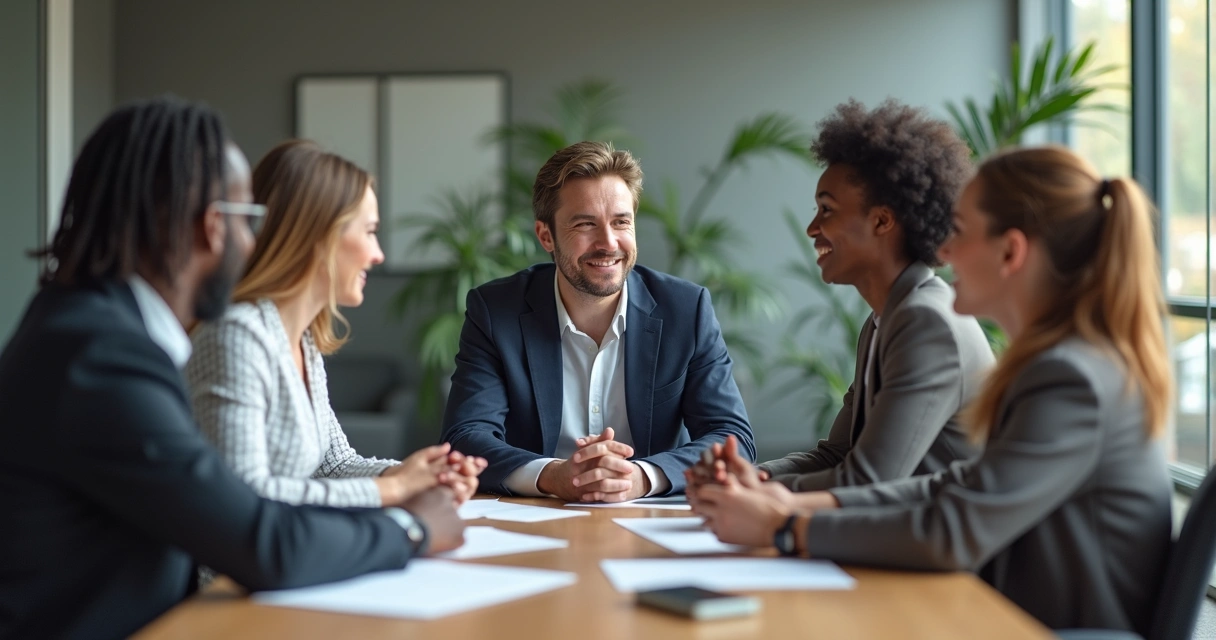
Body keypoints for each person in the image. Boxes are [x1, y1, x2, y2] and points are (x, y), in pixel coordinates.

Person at [0, 97, 465, 640]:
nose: (253, 246)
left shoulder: (87, 328)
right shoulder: (103, 359)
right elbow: (260, 540)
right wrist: (411, 528)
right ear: (212, 227)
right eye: (250, 223)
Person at [692, 145, 1173, 635]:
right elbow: (954, 486)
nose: (943, 251)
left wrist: (783, 526)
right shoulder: (1061, 365)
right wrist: (780, 502)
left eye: (960, 232)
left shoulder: (1071, 379)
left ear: (1010, 252)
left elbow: (954, 527)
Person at [691, 99, 992, 495]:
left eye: (826, 210)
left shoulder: (926, 322)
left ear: (882, 220)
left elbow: (869, 481)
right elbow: (838, 455)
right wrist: (752, 475)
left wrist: (752, 492)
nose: (812, 228)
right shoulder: (885, 319)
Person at [441, 141, 754, 501]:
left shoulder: (686, 310)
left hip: (653, 520)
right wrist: (554, 475)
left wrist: (640, 477)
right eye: (585, 224)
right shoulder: (497, 311)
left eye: (621, 222)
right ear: (546, 236)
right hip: (538, 517)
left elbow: (732, 439)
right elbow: (464, 437)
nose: (608, 243)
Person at [186, 140, 484, 508]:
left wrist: (418, 475)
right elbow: (243, 496)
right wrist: (392, 489)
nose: (378, 255)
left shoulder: (302, 341)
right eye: (370, 231)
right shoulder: (236, 336)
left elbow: (334, 464)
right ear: (320, 236)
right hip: (227, 567)